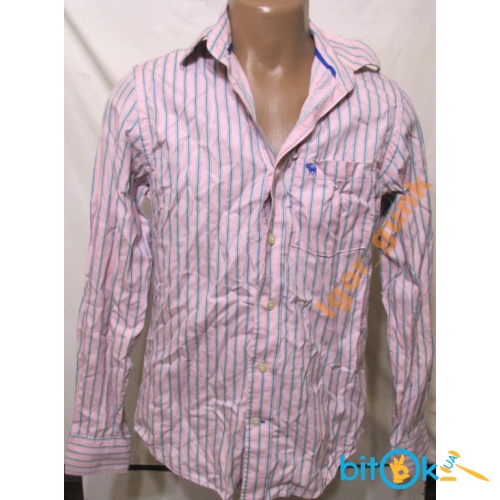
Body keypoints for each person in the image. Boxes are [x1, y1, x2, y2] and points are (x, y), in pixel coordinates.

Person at [65, 1, 434, 498]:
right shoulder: (146, 100)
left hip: (314, 437)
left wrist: (411, 436)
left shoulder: (384, 113)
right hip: (188, 441)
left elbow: (413, 283)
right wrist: (93, 430)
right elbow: (111, 277)